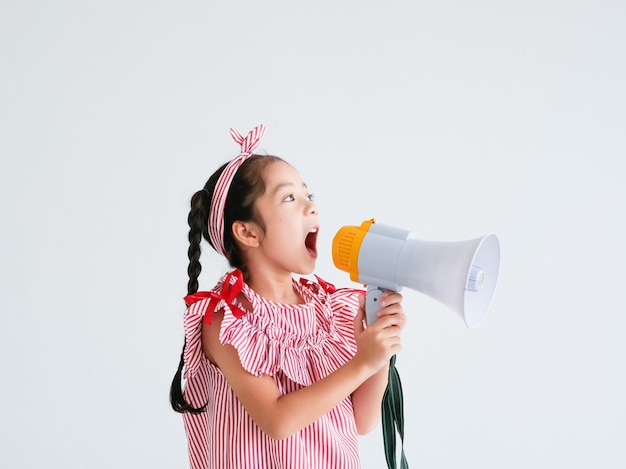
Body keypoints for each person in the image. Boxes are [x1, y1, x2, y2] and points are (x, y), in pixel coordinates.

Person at [170, 124, 407, 469]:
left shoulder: (328, 310)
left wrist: (380, 351)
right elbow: (277, 420)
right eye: (289, 198)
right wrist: (362, 362)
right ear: (247, 232)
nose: (310, 207)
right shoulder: (227, 321)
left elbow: (362, 421)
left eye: (309, 196)